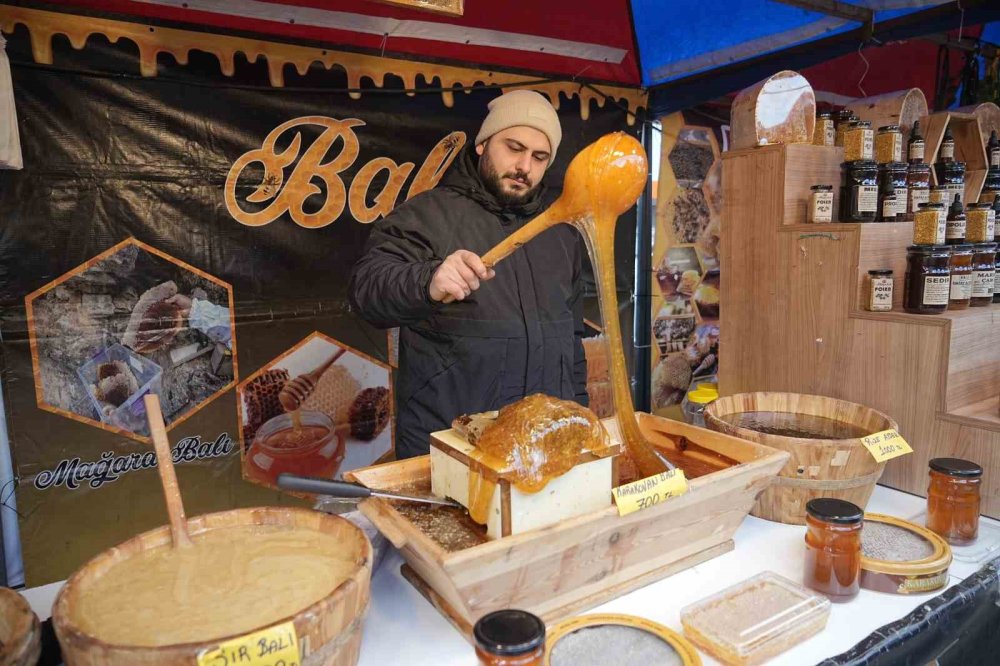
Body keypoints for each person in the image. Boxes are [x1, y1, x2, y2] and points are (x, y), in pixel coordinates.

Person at [349, 89, 589, 459]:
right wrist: (427, 281)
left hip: (542, 448)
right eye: (514, 147)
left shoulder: (561, 234)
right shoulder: (426, 216)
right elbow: (366, 291)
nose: (524, 166)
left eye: (539, 157)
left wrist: (578, 414)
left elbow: (571, 343)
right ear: (482, 145)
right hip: (453, 449)